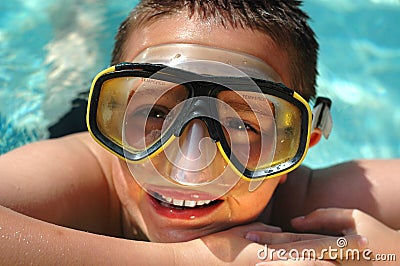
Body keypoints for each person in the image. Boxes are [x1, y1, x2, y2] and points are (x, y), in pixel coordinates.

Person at [0, 0, 399, 265]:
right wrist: (190, 260)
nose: (189, 165)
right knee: (68, 70)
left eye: (242, 124)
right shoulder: (86, 173)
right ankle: (77, 22)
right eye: (158, 112)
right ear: (111, 115)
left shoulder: (311, 202)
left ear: (300, 145)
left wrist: (387, 253)